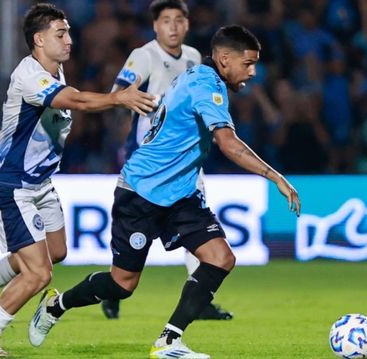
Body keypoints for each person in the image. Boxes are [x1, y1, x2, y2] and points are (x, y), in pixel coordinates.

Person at [28, 25, 301, 359]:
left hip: (180, 194)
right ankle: (57, 305)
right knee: (122, 284)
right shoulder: (206, 85)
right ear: (225, 59)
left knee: (221, 258)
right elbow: (227, 142)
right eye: (248, 63)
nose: (253, 72)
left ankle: (169, 341)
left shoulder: (197, 76)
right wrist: (274, 176)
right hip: (142, 192)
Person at [0, 3, 156, 357]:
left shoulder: (55, 70)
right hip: (12, 185)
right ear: (38, 39)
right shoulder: (29, 75)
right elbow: (75, 100)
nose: (69, 40)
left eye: (68, 32)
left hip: (41, 184)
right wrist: (117, 98)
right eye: (60, 34)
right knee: (39, 274)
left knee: (56, 252)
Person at [101, 0, 232, 322]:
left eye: (178, 20)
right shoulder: (144, 55)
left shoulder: (192, 58)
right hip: (150, 158)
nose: (172, 26)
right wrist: (148, 105)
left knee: (197, 223)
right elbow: (119, 92)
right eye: (166, 21)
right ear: (156, 26)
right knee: (136, 236)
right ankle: (112, 289)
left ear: (187, 24)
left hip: (185, 158)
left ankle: (199, 298)